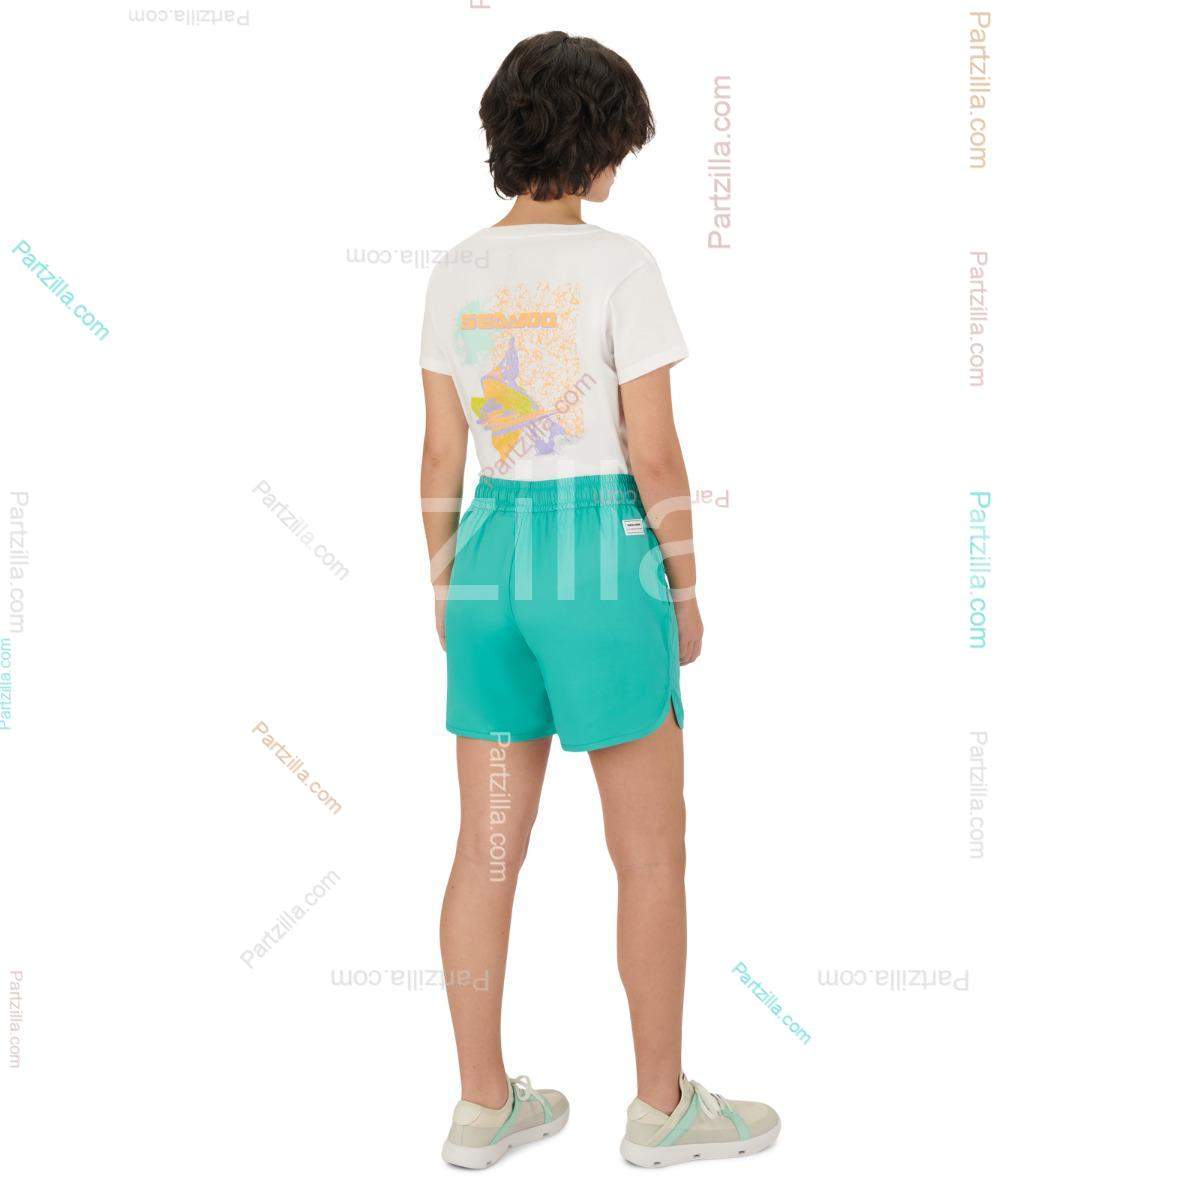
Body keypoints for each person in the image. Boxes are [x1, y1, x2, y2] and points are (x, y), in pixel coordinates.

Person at [419, 30, 779, 1169]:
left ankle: (483, 1108)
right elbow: (656, 455)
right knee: (651, 854)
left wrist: (445, 584)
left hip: (488, 557)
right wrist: (685, 589)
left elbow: (440, 456)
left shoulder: (454, 270)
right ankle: (662, 1111)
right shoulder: (622, 266)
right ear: (599, 144)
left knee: (485, 850)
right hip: (599, 558)